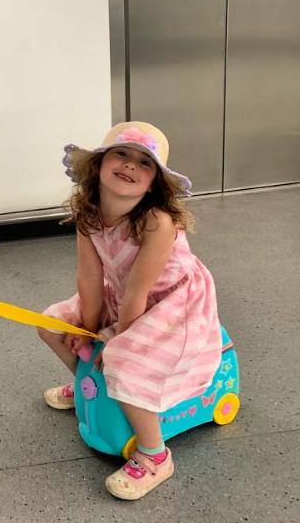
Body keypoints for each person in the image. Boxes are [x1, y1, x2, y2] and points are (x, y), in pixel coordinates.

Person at [37, 122, 221, 499]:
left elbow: (140, 292)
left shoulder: (157, 222)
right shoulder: (90, 215)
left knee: (121, 357)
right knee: (50, 324)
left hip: (174, 306)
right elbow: (89, 277)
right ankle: (94, 390)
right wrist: (88, 332)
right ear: (99, 164)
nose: (130, 166)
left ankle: (155, 455)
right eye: (121, 154)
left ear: (153, 183)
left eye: (144, 162)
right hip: (124, 295)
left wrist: (115, 338)